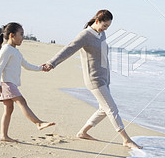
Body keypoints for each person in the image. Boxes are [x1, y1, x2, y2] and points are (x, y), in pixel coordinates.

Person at [44, 10, 142, 149]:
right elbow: (68, 49)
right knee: (112, 108)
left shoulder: (102, 34)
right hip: (94, 79)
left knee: (104, 108)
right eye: (104, 25)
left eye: (108, 26)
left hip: (104, 78)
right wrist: (52, 63)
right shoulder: (85, 35)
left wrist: (108, 77)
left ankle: (83, 132)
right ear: (97, 21)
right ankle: (126, 139)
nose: (105, 28)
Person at [0, 22, 55, 142]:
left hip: (9, 83)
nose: (23, 37)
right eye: (21, 34)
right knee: (21, 101)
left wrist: (41, 68)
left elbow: (27, 65)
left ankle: (3, 135)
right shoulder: (6, 49)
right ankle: (38, 123)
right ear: (12, 35)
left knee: (9, 109)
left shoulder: (15, 51)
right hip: (6, 83)